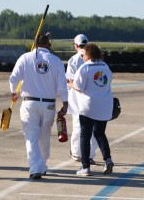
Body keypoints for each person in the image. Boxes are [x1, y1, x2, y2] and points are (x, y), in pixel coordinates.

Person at [9, 33, 68, 180]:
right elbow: (62, 86)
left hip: (29, 103)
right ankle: (42, 164)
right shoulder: (56, 61)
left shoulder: (25, 58)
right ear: (48, 45)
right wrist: (65, 103)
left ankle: (36, 168)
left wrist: (13, 92)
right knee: (44, 136)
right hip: (48, 104)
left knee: (31, 137)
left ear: (35, 44)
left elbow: (13, 78)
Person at [67, 43, 114, 176]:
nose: (82, 57)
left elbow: (79, 87)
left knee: (85, 135)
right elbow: (109, 79)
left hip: (88, 106)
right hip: (104, 106)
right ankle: (108, 159)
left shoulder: (85, 67)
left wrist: (70, 84)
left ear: (88, 54)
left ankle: (85, 167)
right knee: (99, 133)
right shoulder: (105, 66)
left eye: (83, 55)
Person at [66, 34, 98, 165]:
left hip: (77, 98)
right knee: (93, 128)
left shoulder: (73, 60)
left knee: (77, 127)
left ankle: (76, 153)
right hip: (92, 98)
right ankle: (90, 155)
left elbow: (69, 80)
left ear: (76, 45)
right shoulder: (94, 58)